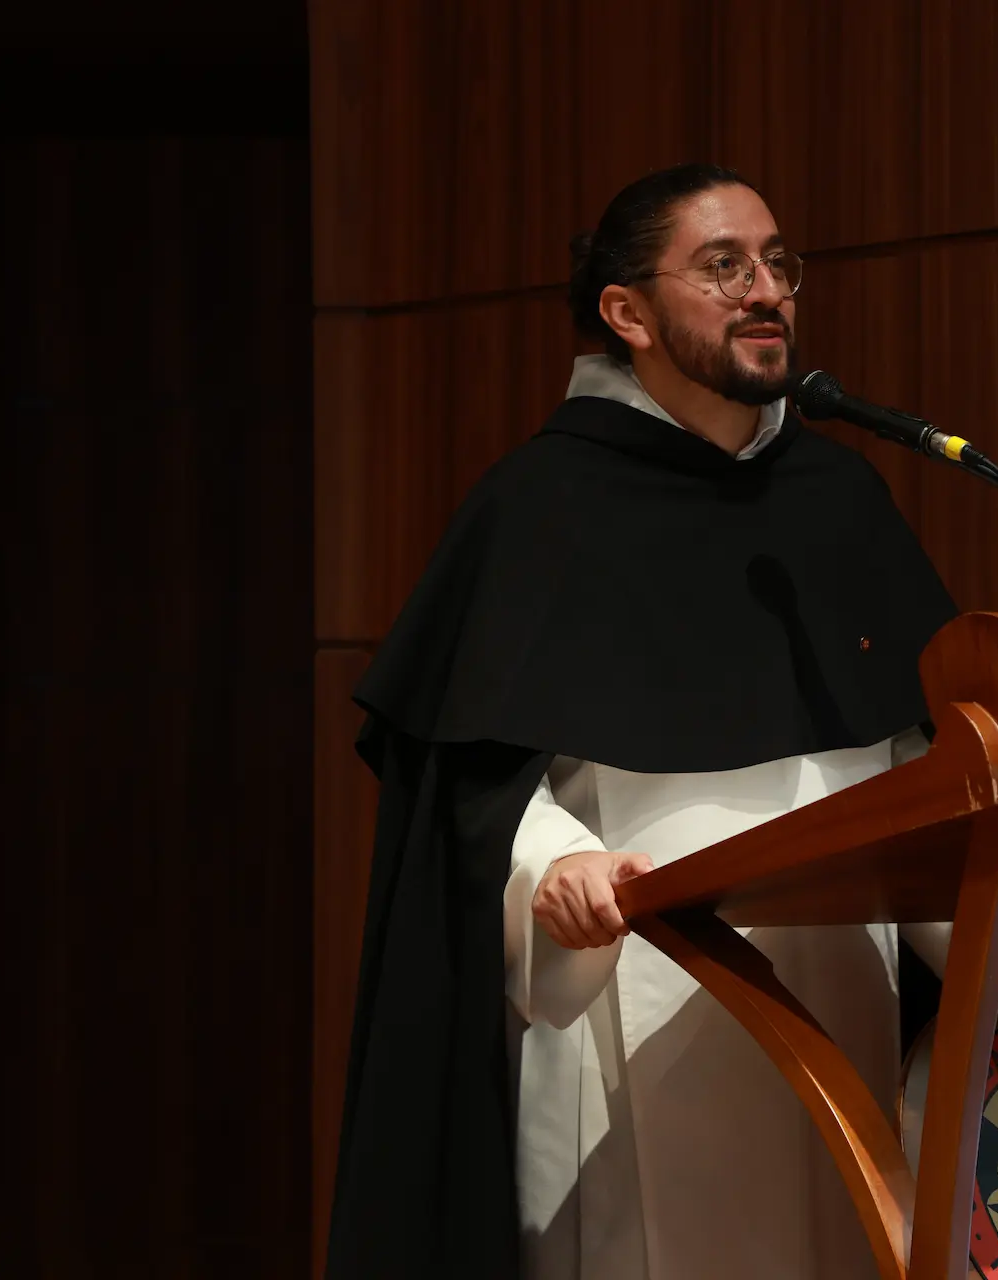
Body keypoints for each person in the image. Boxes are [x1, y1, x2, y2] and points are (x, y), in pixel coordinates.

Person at [323, 163, 958, 1280]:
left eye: (777, 263)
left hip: (843, 992)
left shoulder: (839, 497)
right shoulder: (541, 504)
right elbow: (472, 787)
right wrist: (554, 872)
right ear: (628, 312)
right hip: (640, 994)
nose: (766, 290)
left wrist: (977, 883)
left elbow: (917, 746)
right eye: (724, 266)